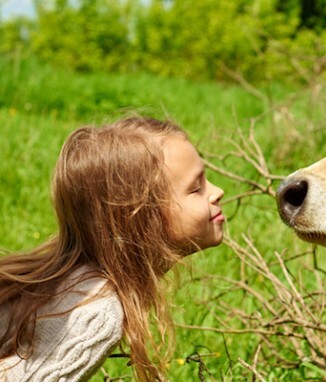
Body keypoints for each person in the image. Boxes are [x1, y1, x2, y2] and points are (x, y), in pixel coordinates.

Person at [0, 117, 225, 381]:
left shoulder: (83, 282)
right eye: (195, 188)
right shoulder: (97, 313)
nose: (218, 191)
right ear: (140, 217)